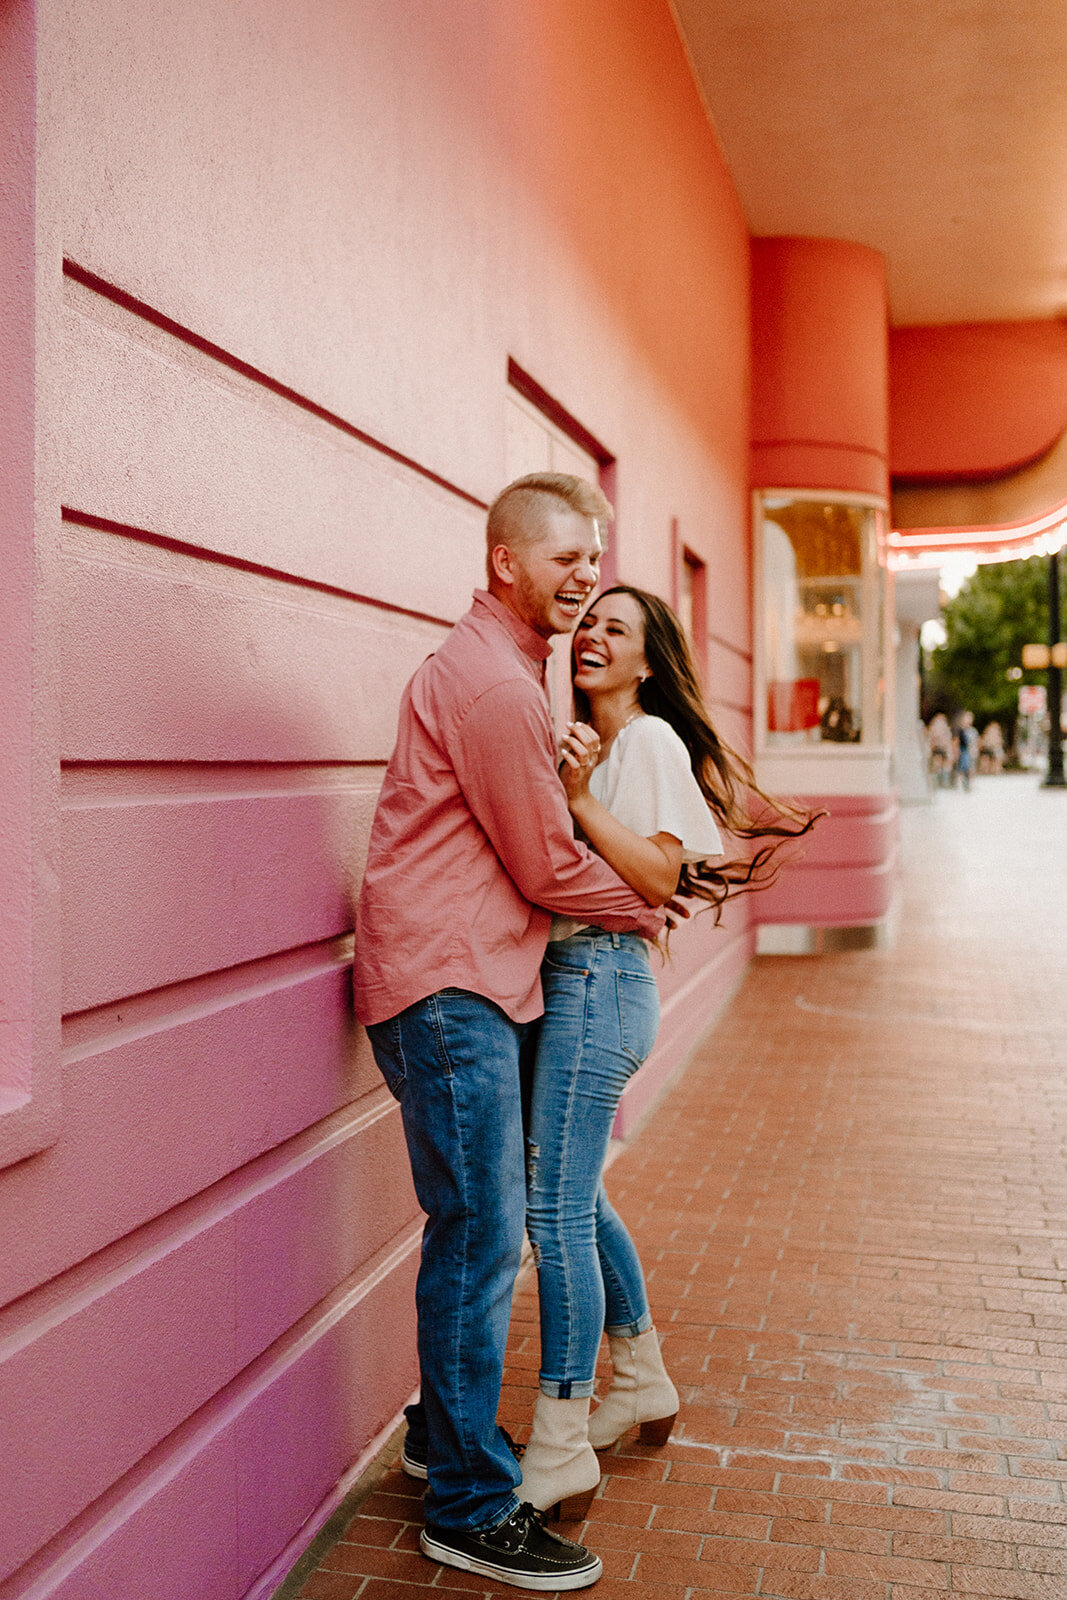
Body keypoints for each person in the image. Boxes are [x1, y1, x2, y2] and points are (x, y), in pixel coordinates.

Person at [352, 475, 664, 1591]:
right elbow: (541, 864)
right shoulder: (490, 684)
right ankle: (470, 1506)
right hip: (449, 989)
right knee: (484, 1234)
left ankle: (444, 1438)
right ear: (505, 564)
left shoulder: (501, 672)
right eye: (567, 557)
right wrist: (654, 895)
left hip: (463, 980)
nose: (587, 574)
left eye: (596, 557)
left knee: (471, 1228)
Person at [516, 585, 820, 1519]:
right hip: (580, 982)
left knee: (552, 1213)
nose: (592, 638)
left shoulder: (644, 740)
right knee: (576, 1199)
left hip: (600, 983)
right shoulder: (594, 743)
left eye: (617, 629)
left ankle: (562, 1435)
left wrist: (572, 800)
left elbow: (652, 873)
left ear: (647, 663)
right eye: (589, 624)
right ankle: (640, 1375)